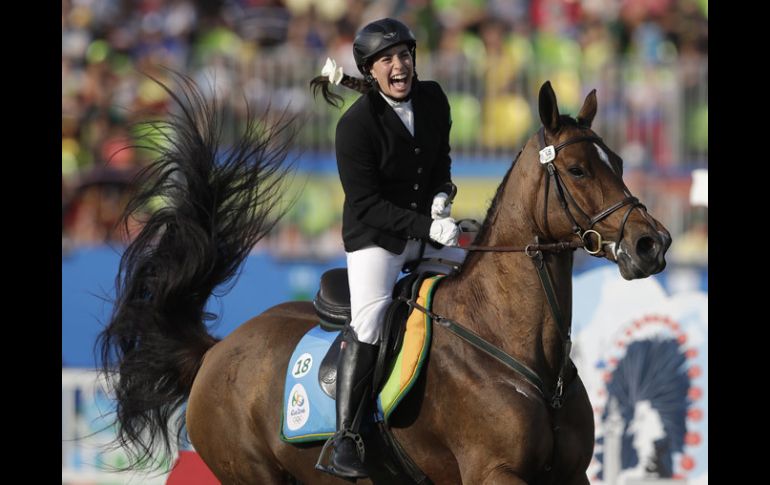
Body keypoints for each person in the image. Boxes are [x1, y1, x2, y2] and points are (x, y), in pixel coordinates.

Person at [310, 18, 467, 479]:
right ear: (370, 70)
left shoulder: (433, 97)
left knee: (475, 279)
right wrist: (428, 227)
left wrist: (443, 192)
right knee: (371, 320)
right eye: (387, 60)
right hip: (375, 241)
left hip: (425, 230)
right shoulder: (353, 127)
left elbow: (440, 158)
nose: (399, 65)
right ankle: (347, 436)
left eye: (404, 55)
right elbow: (368, 205)